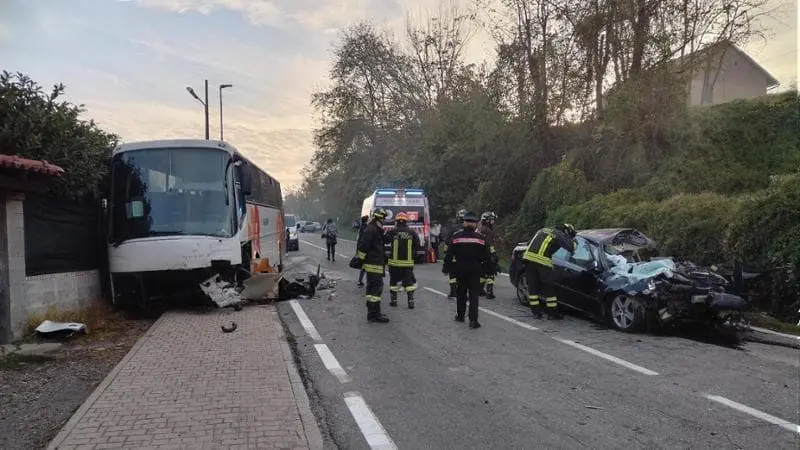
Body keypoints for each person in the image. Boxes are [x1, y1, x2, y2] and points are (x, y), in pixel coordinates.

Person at [443, 211, 492, 329]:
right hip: (475, 269)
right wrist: (488, 270)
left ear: (464, 223)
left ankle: (460, 316)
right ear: (475, 224)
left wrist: (447, 267)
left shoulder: (456, 237)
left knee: (461, 293)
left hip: (460, 268)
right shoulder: (481, 239)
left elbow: (449, 254)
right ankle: (473, 321)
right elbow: (487, 256)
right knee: (474, 295)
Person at [521, 223, 577, 320]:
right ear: (566, 231)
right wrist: (575, 241)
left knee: (533, 287)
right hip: (542, 262)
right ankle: (552, 313)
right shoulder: (558, 234)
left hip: (528, 260)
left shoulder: (542, 230)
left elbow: (530, 243)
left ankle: (536, 313)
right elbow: (571, 247)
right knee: (549, 289)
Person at [356, 208, 390, 323]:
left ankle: (373, 313)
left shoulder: (375, 229)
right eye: (383, 218)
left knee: (373, 290)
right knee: (376, 289)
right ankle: (375, 314)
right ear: (378, 218)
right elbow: (364, 246)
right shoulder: (371, 229)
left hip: (374, 264)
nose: (384, 221)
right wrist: (360, 259)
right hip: (373, 265)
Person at [384, 212, 421, 309]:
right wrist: (414, 255)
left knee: (394, 282)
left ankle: (394, 301)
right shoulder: (412, 232)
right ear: (406, 221)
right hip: (408, 263)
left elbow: (385, 241)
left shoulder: (392, 231)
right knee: (409, 282)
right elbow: (417, 245)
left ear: (396, 221)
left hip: (394, 263)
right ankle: (410, 301)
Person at [442, 209, 467, 298]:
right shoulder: (469, 228)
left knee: (452, 272)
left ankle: (453, 291)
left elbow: (447, 241)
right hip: (466, 254)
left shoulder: (453, 228)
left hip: (454, 254)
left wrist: (446, 252)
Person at [477, 212, 499, 299]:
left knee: (482, 273)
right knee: (491, 273)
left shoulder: (479, 229)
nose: (493, 222)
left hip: (478, 254)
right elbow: (489, 244)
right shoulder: (488, 231)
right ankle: (489, 292)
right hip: (487, 254)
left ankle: (480, 290)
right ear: (487, 221)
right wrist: (494, 254)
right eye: (492, 220)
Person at [356, 215, 369, 287]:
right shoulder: (367, 227)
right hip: (366, 249)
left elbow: (358, 239)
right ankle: (367, 281)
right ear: (367, 220)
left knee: (363, 266)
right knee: (368, 266)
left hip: (361, 248)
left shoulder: (361, 227)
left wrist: (357, 250)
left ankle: (360, 280)